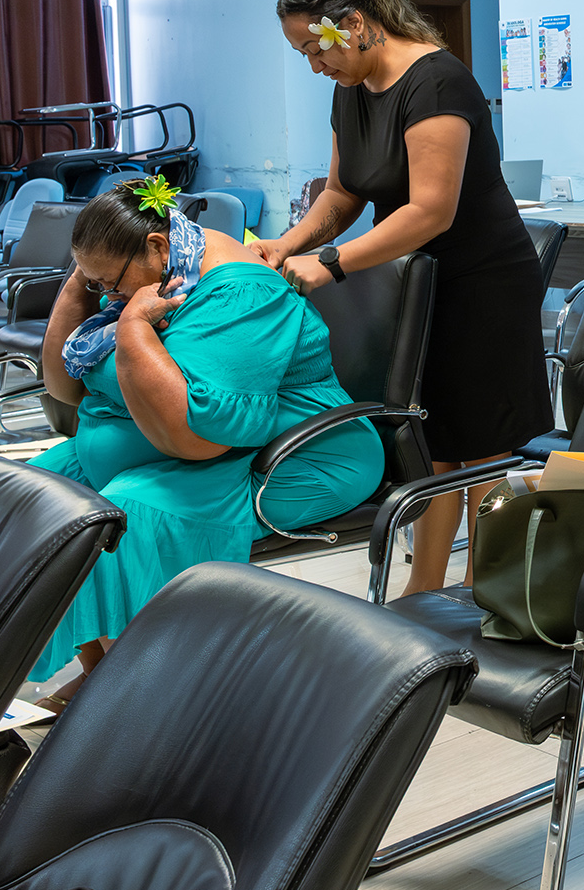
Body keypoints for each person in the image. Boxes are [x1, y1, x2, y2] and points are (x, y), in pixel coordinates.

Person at [256, 0, 552, 595]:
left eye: (318, 46)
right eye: (304, 52)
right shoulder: (351, 91)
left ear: (356, 23)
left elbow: (429, 210)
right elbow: (340, 195)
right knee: (432, 441)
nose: (315, 64)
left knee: (484, 450)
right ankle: (425, 590)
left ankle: (483, 593)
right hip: (416, 284)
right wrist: (285, 246)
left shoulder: (438, 82)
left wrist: (330, 264)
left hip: (482, 284)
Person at [30, 177, 381, 698]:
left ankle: (148, 690)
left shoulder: (243, 293)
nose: (103, 294)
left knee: (126, 515)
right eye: (94, 283)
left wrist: (131, 330)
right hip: (191, 448)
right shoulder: (156, 275)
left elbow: (198, 439)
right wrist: (81, 283)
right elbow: (63, 389)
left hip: (298, 455)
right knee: (39, 499)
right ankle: (100, 670)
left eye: (109, 282)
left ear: (156, 246)